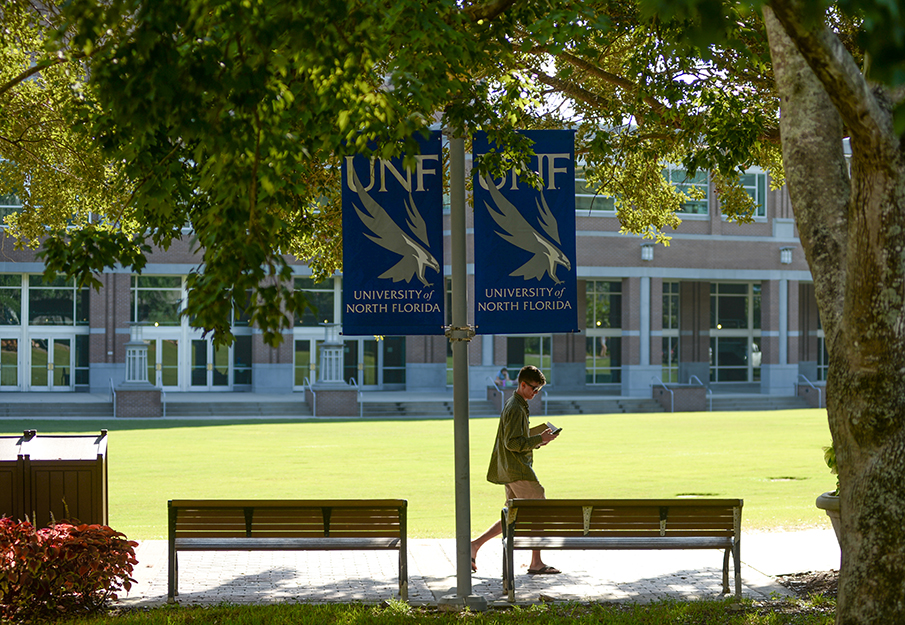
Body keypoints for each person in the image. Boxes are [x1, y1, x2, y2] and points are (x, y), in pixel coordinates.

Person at [470, 365, 561, 575]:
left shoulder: (517, 404)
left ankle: (475, 545)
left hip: (511, 470)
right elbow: (512, 443)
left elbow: (517, 438)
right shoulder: (515, 407)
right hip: (518, 470)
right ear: (522, 384)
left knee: (513, 515)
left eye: (538, 390)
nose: (536, 393)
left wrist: (539, 441)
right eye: (534, 388)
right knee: (539, 512)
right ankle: (536, 562)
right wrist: (539, 438)